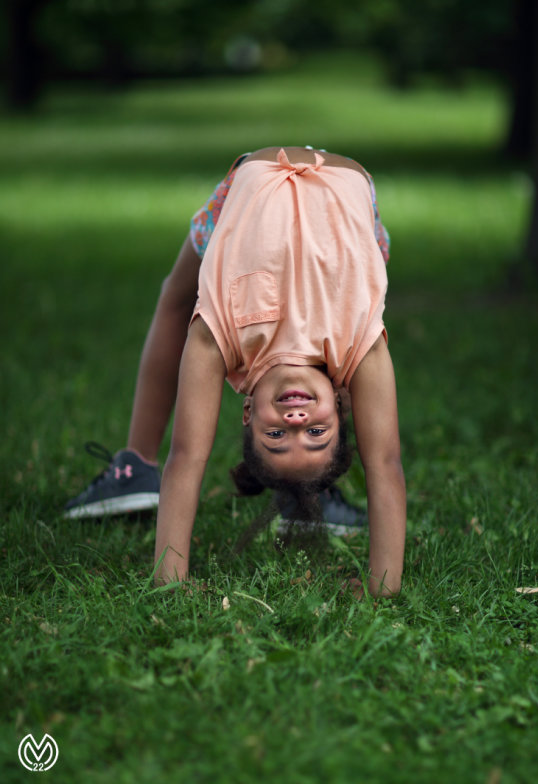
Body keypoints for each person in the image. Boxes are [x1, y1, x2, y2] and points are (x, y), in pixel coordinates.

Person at [66, 146, 406, 597]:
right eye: (316, 435)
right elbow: (384, 462)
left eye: (277, 438)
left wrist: (171, 579)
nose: (296, 424)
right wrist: (384, 587)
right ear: (342, 411)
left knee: (175, 296)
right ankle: (300, 493)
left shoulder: (219, 338)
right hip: (350, 187)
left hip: (251, 178)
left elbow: (187, 456)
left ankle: (137, 461)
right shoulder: (360, 347)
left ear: (248, 411)